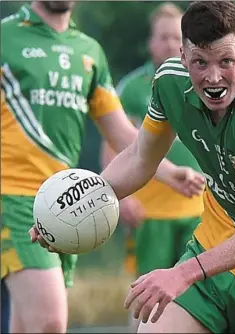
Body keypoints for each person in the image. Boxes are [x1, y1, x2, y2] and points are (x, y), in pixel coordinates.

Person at [31, 1, 235, 333]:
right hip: (214, 260)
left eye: (226, 61)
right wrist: (70, 210)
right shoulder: (170, 82)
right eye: (200, 62)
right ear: (182, 56)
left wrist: (182, 273)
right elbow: (139, 158)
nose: (214, 77)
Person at [1, 1, 204, 333]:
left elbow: (123, 133)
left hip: (65, 203)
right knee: (50, 321)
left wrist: (168, 173)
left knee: (26, 325)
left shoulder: (89, 51)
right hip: (12, 196)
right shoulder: (6, 37)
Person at [99, 3, 205, 333]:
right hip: (152, 211)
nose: (172, 43)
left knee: (199, 291)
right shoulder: (133, 88)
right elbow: (114, 142)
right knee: (148, 290)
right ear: (151, 43)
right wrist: (121, 198)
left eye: (178, 37)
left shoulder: (203, 80)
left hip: (198, 207)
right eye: (164, 37)